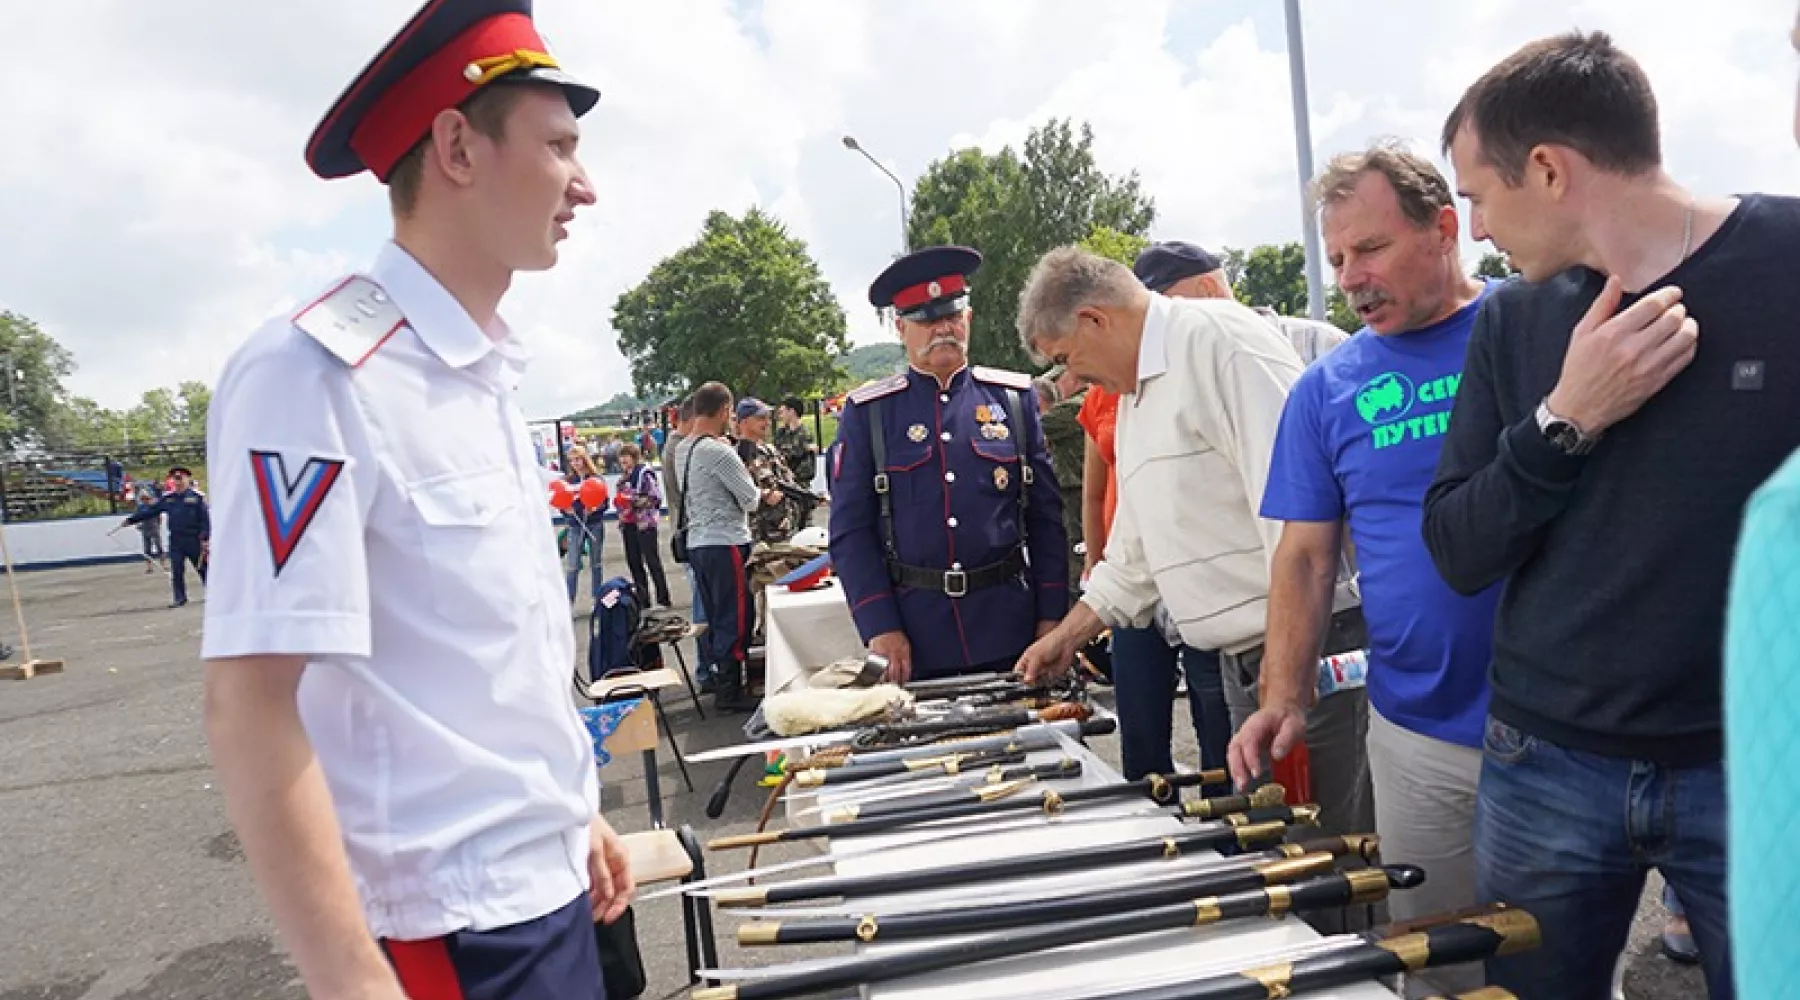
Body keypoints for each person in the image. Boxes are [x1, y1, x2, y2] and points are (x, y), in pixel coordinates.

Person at [198, 4, 632, 998]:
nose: (585, 184)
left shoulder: (480, 372)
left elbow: (492, 652)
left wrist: (572, 810)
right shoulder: (315, 377)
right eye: (560, 145)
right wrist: (353, 981)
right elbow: (249, 705)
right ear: (455, 147)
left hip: (552, 891)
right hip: (449, 935)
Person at [1427, 31, 1800, 999]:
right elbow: (1459, 547)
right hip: (1544, 762)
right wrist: (1566, 419)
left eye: (1477, 195)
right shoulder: (1510, 322)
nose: (1474, 232)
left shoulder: (1791, 264)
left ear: (1547, 169)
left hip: (1759, 768)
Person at [1229, 144, 1496, 988]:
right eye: (1338, 257)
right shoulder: (1326, 389)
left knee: (1565, 965)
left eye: (1370, 249)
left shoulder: (1534, 330)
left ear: (1445, 229)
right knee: (1441, 960)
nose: (1349, 277)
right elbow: (1304, 559)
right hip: (1420, 736)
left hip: (1573, 729)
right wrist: (1282, 696)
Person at [1013, 248, 1366, 836]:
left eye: (1068, 359)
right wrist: (1071, 634)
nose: (1071, 381)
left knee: (1327, 854)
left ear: (1097, 320)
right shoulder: (1135, 393)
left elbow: (1300, 520)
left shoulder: (1218, 344)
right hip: (1249, 662)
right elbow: (1136, 546)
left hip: (1305, 654)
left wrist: (1284, 677)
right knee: (1277, 845)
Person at [829, 246, 1068, 684]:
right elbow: (850, 532)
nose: (943, 329)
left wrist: (1052, 618)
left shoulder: (1012, 402)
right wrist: (880, 625)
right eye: (926, 319)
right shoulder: (870, 413)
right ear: (901, 328)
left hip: (1011, 629)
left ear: (968, 319)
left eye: (951, 315)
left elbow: (1046, 521)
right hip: (914, 634)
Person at [669, 382, 765, 712]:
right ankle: (731, 691)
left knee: (714, 613)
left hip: (698, 543)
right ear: (725, 411)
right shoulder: (720, 452)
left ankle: (718, 678)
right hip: (727, 542)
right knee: (736, 615)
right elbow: (750, 500)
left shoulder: (683, 449)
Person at [1132, 241, 1347, 364]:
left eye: (1167, 307)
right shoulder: (1180, 372)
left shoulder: (1322, 345)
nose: (1159, 323)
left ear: (1209, 290)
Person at [122, 465, 208, 607]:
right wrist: (131, 520)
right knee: (177, 570)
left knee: (202, 569)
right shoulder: (168, 499)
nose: (178, 482)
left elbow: (205, 520)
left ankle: (213, 593)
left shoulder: (197, 498)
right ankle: (179, 598)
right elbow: (151, 511)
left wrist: (205, 538)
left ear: (187, 479)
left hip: (194, 539)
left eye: (181, 478)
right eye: (176, 479)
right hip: (176, 540)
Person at [734, 397, 810, 544]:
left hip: (784, 533)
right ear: (744, 422)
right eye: (761, 418)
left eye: (768, 418)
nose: (767, 423)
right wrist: (765, 496)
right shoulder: (735, 455)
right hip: (756, 538)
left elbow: (789, 482)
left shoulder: (771, 451)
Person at [615, 443, 671, 608]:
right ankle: (643, 599)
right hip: (628, 523)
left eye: (627, 458)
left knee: (652, 560)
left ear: (634, 457)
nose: (624, 462)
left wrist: (632, 501)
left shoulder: (644, 474)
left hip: (645, 523)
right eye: (622, 459)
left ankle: (663, 598)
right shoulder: (623, 478)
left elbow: (655, 497)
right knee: (634, 561)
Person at [562, 448, 607, 605]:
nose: (575, 463)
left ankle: (597, 599)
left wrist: (595, 508)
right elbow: (562, 501)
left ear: (584, 459)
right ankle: (569, 601)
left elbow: (604, 502)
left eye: (578, 459)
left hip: (594, 523)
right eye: (572, 460)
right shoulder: (568, 481)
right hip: (575, 525)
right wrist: (567, 511)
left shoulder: (596, 478)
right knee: (572, 564)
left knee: (596, 563)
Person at [773, 396, 818, 489]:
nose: (780, 416)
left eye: (783, 412)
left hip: (799, 486)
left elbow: (808, 468)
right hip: (782, 483)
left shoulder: (805, 434)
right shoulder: (780, 433)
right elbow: (775, 455)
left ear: (792, 411)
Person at [131, 484, 167, 574]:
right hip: (145, 529)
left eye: (147, 498)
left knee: (159, 547)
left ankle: (163, 565)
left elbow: (159, 517)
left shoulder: (154, 506)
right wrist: (138, 524)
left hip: (154, 528)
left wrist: (158, 525)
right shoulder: (140, 507)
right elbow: (137, 517)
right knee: (147, 549)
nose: (145, 500)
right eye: (143, 499)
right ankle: (149, 567)